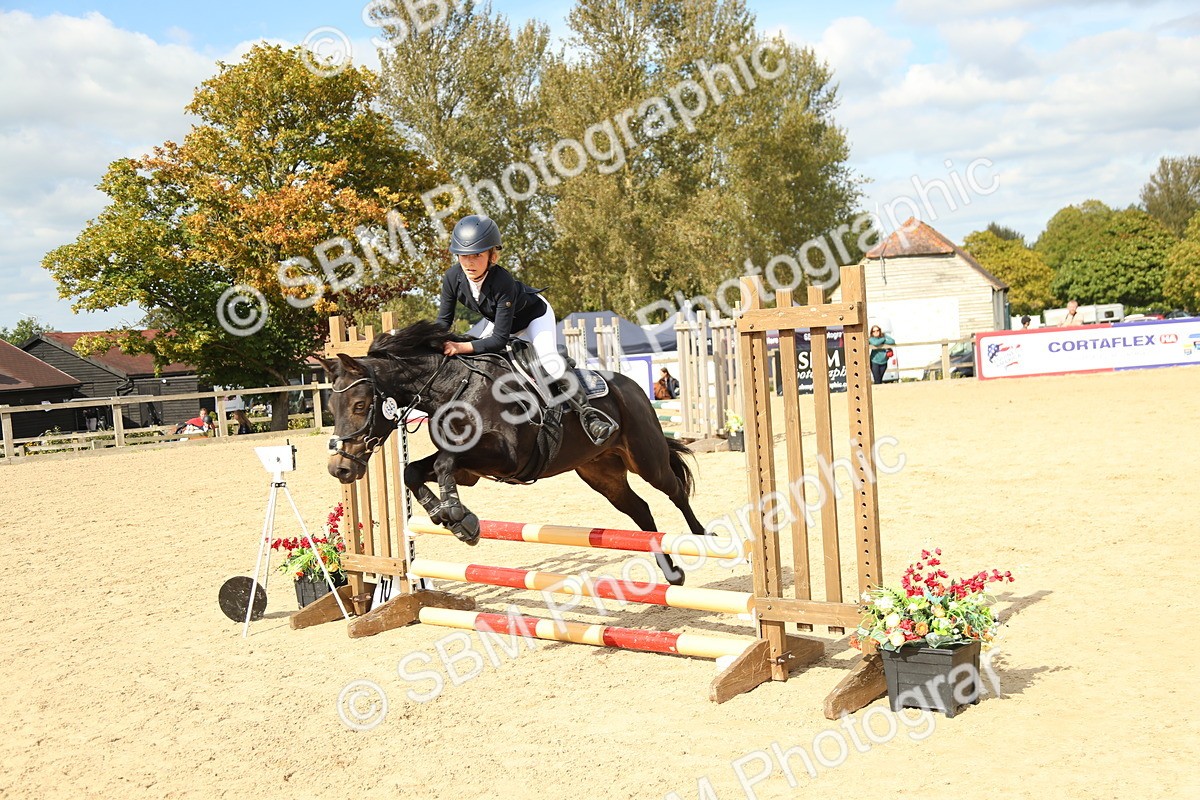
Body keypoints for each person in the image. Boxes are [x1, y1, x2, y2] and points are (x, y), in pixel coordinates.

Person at [435, 215, 617, 445]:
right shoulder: (452, 278)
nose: (469, 262)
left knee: (548, 361)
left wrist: (461, 346)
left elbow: (499, 339)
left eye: (477, 255)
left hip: (534, 317)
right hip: (501, 320)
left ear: (492, 255)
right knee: (480, 359)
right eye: (464, 255)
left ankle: (589, 415)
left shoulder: (502, 281)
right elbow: (443, 322)